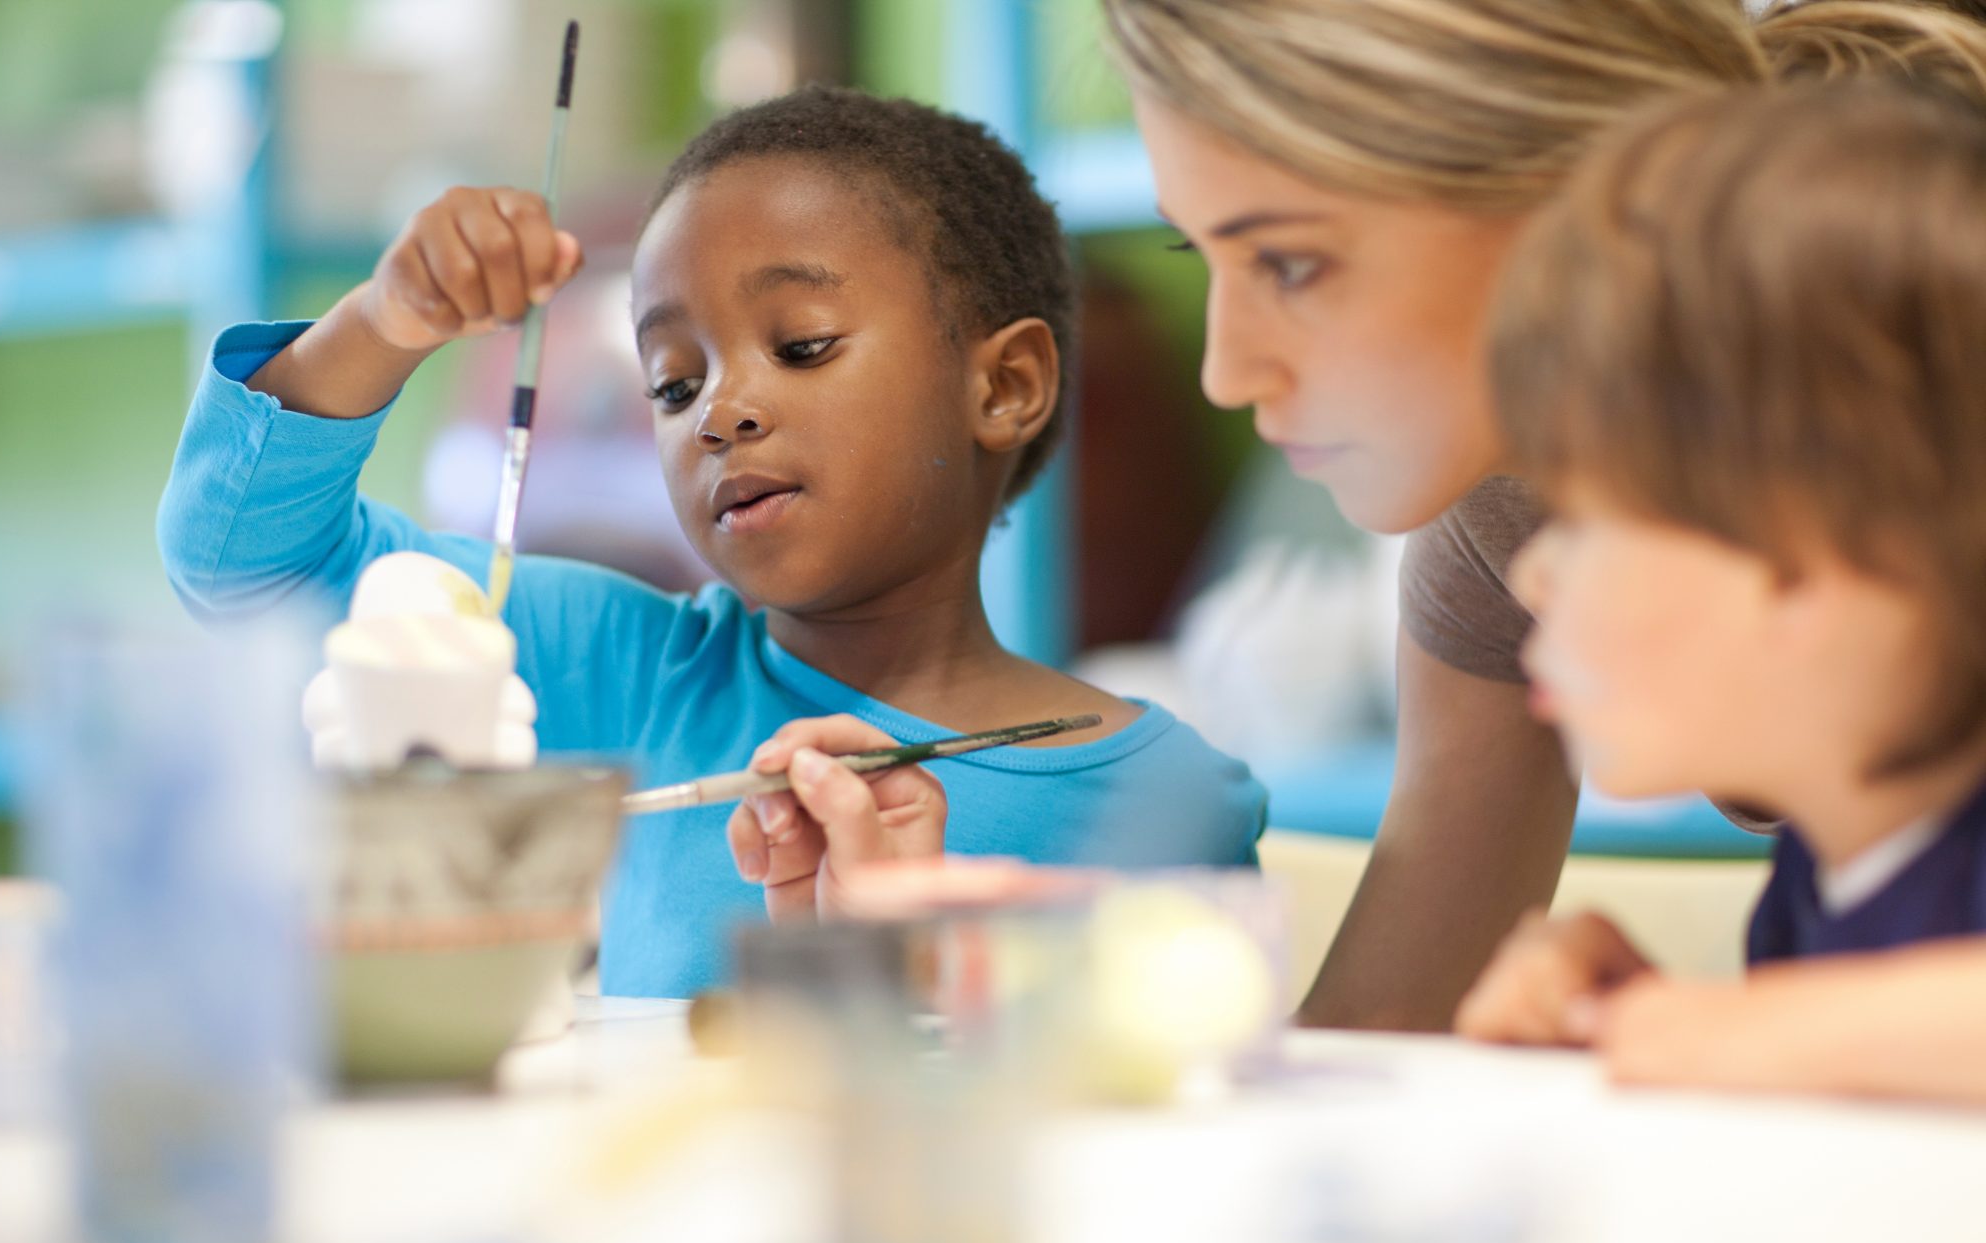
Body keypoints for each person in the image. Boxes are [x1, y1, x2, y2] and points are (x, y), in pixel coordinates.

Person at [742, 0, 1986, 1031]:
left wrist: (1709, 1035)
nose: (1224, 372)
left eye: (1287, 261)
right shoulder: (1494, 524)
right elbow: (1388, 1043)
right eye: (1200, 258)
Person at [155, 86, 1266, 998]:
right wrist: (384, 322)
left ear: (1003, 385)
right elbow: (253, 567)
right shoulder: (625, 671)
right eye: (672, 382)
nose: (717, 413)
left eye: (802, 344)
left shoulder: (1165, 799)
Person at [1456, 81, 1986, 1106]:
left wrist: (1747, 1032)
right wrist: (1634, 1012)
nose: (1529, 574)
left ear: (1815, 559)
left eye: (1584, 517)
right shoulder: (1823, 872)